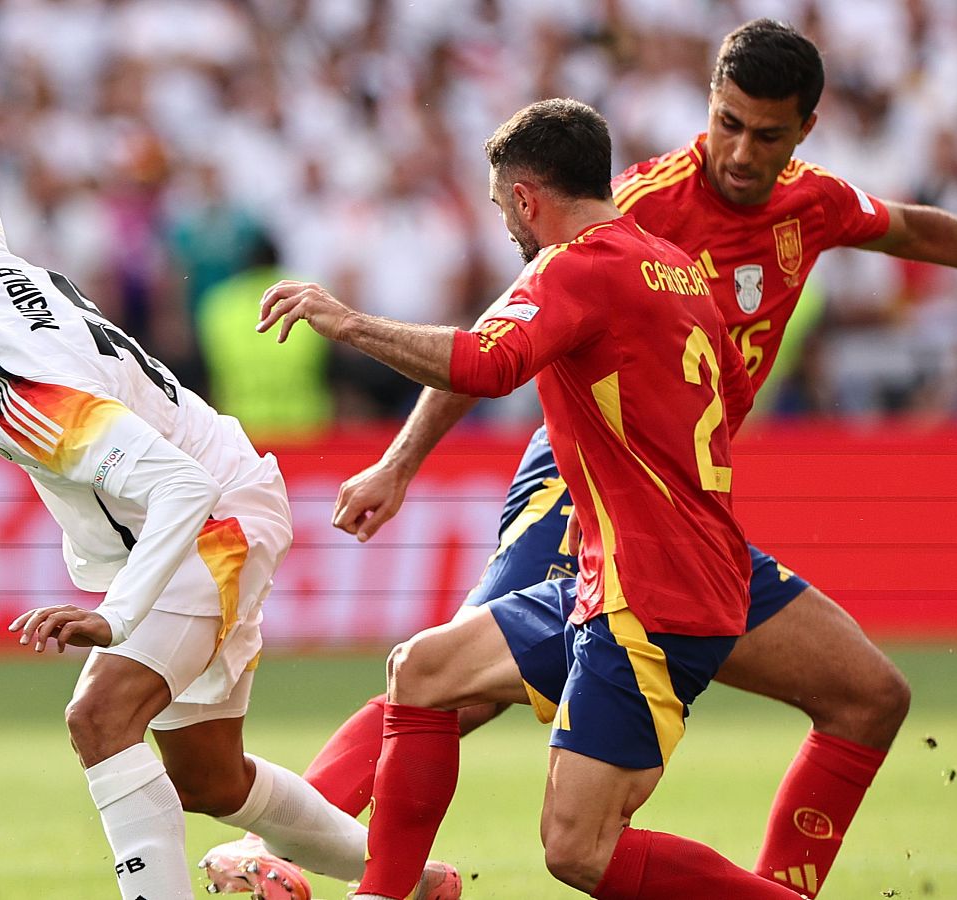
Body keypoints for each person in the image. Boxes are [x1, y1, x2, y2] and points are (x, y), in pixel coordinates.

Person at [210, 18, 957, 898]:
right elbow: (501, 340)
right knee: (446, 686)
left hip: (687, 502)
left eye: (768, 134)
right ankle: (286, 851)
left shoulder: (815, 204)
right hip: (584, 479)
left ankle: (775, 890)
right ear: (707, 105)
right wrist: (403, 461)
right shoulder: (635, 209)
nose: (742, 153)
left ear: (805, 130)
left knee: (870, 698)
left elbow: (917, 228)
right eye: (728, 124)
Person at [0, 46, 460, 900]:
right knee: (210, 782)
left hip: (212, 514)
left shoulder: (35, 400)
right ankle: (418, 888)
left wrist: (113, 618)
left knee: (99, 716)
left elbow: (180, 493)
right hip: (184, 509)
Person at [257, 96, 807, 899]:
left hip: (652, 597)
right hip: (614, 575)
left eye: (500, 207)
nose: (506, 230)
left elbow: (484, 364)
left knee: (577, 850)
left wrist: (346, 323)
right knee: (423, 669)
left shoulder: (575, 265)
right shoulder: (674, 264)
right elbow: (726, 391)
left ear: (525, 197)